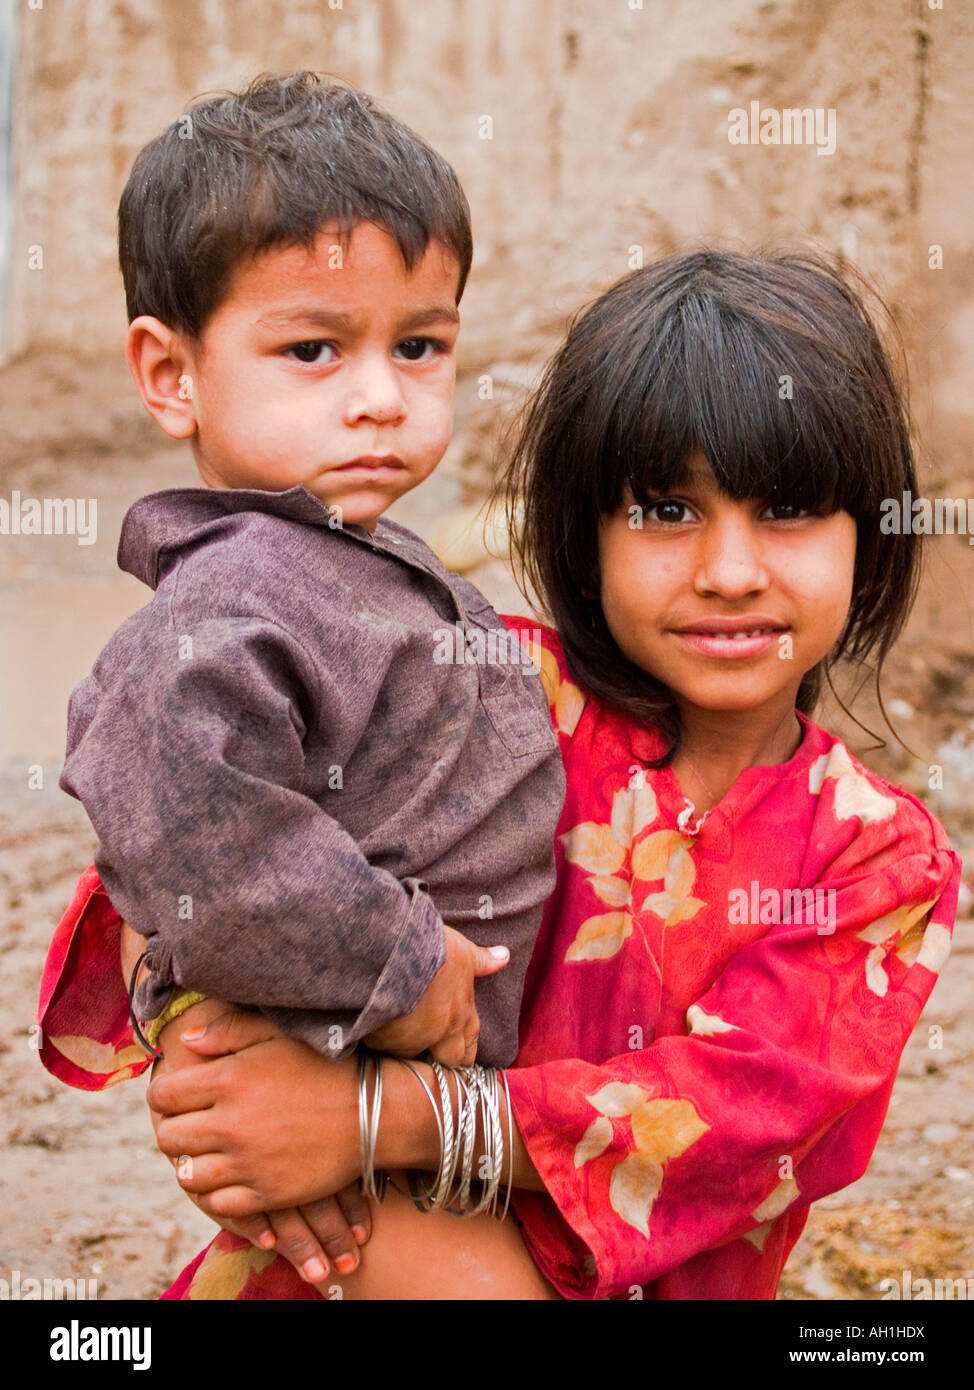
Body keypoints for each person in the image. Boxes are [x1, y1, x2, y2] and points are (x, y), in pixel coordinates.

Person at [40, 249, 960, 1301]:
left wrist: (361, 1121)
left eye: (788, 511)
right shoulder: (477, 689)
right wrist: (217, 1066)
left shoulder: (872, 861)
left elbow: (728, 1122)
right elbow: (198, 849)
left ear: (868, 535)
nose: (730, 571)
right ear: (583, 534)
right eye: (664, 510)